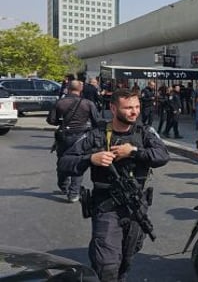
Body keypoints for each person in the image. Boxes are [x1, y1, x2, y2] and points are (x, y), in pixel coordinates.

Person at [57, 88, 169, 281]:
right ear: (113, 108)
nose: (134, 112)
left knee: (126, 260)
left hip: (135, 208)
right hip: (106, 205)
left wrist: (133, 152)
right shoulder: (97, 134)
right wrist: (91, 158)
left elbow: (162, 156)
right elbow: (65, 162)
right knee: (106, 264)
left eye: (137, 107)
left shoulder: (145, 133)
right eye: (128, 108)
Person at [47, 80, 101, 202]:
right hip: (81, 136)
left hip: (64, 136)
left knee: (62, 160)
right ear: (80, 89)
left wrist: (63, 122)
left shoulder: (60, 102)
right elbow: (97, 121)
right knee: (79, 162)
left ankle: (63, 185)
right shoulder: (88, 104)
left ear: (68, 88)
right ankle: (73, 193)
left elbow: (51, 120)